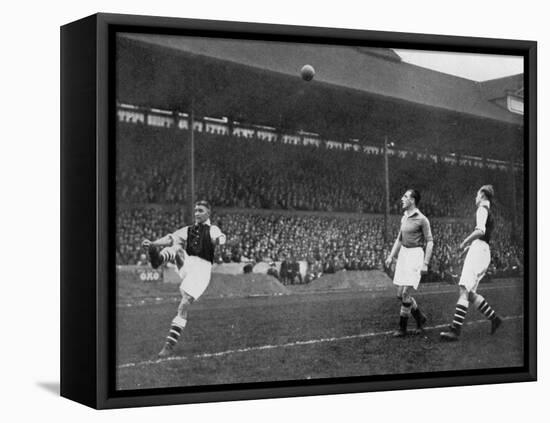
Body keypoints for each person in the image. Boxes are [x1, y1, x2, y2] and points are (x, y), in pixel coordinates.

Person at [142, 200, 226, 357]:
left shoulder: (212, 229)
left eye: (200, 210)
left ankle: (168, 346)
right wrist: (153, 243)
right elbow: (170, 238)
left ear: (208, 213)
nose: (196, 213)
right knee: (177, 247)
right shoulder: (188, 230)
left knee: (183, 305)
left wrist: (219, 241)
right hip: (188, 265)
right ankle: (157, 258)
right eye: (195, 210)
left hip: (201, 271)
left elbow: (220, 237)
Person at [440, 185, 502, 341]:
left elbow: (480, 231)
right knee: (471, 293)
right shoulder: (488, 211)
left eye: (477, 195)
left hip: (479, 251)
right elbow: (484, 236)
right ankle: (495, 319)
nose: (475, 198)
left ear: (482, 195)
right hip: (482, 250)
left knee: (463, 289)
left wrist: (463, 242)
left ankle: (455, 331)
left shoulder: (482, 209)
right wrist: (469, 247)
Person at [385, 189, 434, 337]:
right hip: (404, 255)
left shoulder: (422, 219)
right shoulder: (404, 217)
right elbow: (399, 239)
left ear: (412, 200)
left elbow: (430, 241)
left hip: (415, 256)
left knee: (406, 293)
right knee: (400, 294)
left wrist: (425, 263)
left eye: (405, 196)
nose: (402, 198)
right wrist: (391, 256)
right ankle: (420, 318)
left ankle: (402, 328)